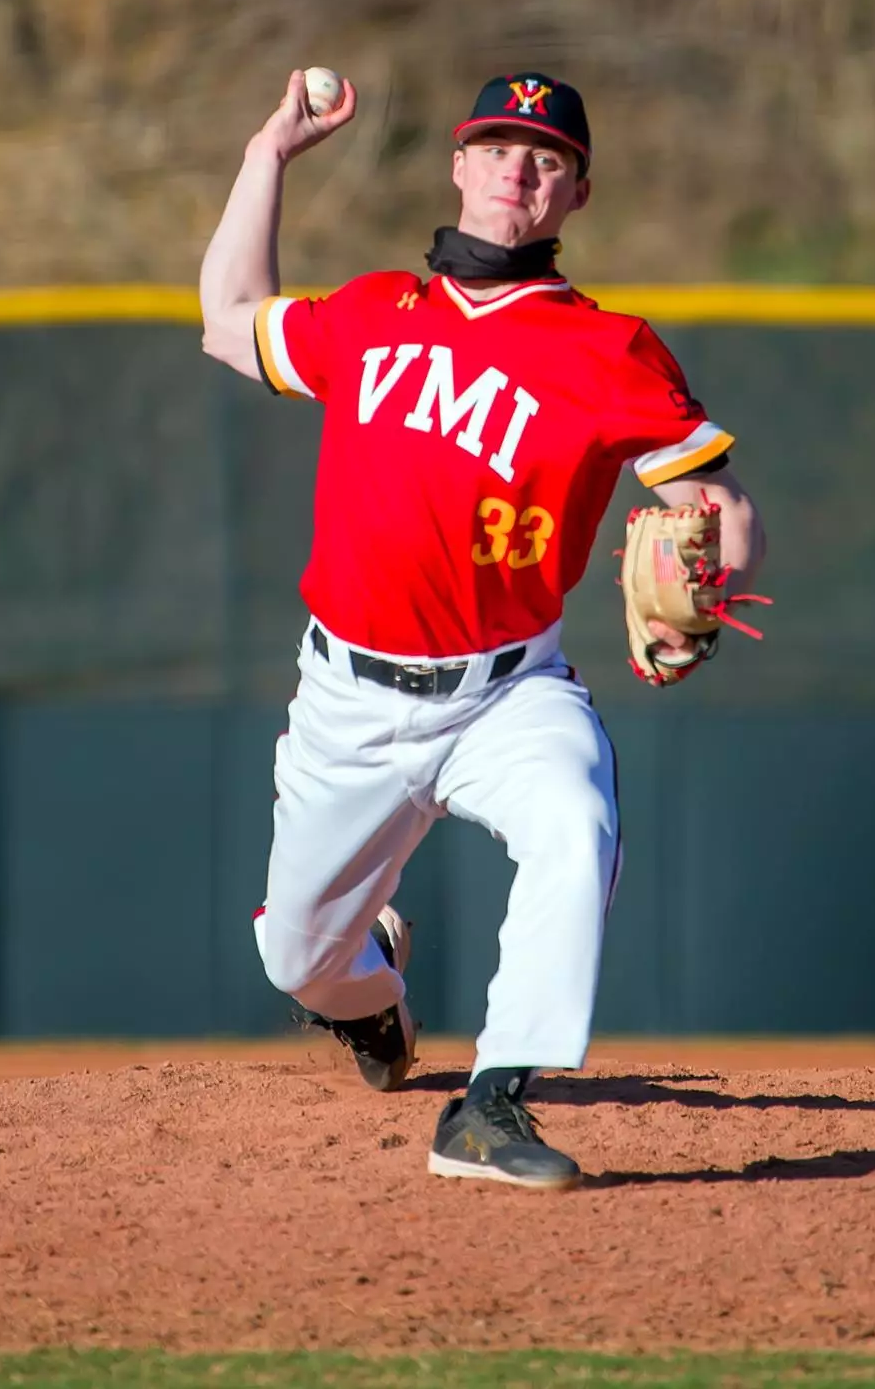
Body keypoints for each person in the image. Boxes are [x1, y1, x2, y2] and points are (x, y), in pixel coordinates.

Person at [196, 68, 768, 1190]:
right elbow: (226, 323)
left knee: (574, 818)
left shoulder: (610, 353)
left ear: (575, 195)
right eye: (498, 146)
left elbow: (718, 503)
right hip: (346, 704)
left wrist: (703, 593)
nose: (519, 167)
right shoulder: (367, 316)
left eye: (546, 157)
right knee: (298, 957)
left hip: (506, 692)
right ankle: (373, 993)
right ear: (458, 167)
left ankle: (492, 1103)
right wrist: (267, 154)